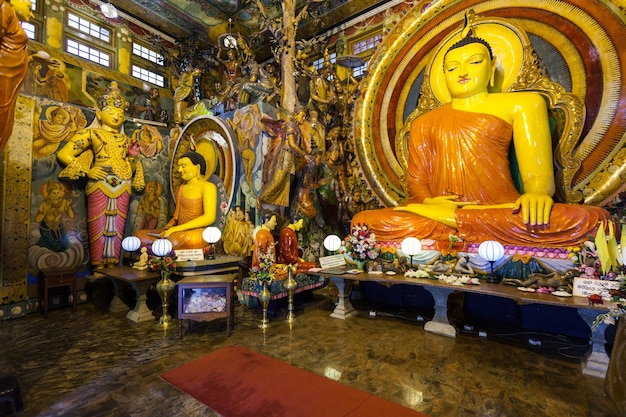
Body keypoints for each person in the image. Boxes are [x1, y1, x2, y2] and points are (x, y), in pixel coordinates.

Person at [352, 34, 608, 248]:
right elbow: (417, 186)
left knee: (587, 220)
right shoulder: (423, 122)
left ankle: (454, 222)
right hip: (438, 215)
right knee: (363, 222)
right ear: (444, 75)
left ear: (492, 66)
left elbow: (538, 174)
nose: (462, 72)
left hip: (501, 210)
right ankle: (452, 220)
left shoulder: (524, 104)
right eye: (452, 68)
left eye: (474, 62)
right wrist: (428, 203)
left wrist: (538, 194)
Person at [57, 81, 145, 269]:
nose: (116, 116)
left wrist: (132, 157)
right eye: (111, 112)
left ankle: (113, 265)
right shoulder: (92, 134)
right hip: (99, 183)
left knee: (118, 227)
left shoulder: (126, 140)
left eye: (120, 114)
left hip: (123, 184)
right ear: (99, 114)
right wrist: (88, 171)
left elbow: (131, 169)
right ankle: (98, 268)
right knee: (98, 224)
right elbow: (64, 154)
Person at [136, 151, 218, 250]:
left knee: (183, 240)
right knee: (140, 235)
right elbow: (176, 216)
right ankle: (161, 245)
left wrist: (177, 229)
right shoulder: (182, 188)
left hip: (195, 233)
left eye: (183, 166)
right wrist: (169, 227)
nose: (179, 170)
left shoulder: (208, 187)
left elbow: (209, 217)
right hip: (177, 231)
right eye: (179, 166)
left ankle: (160, 246)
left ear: (197, 167)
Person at [0, 0, 32, 153]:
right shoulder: (3, 8)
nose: (31, 14)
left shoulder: (12, 18)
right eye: (30, 8)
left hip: (9, 81)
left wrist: (31, 59)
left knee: (5, 124)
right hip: (2, 76)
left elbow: (12, 51)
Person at [35, 181, 75, 252]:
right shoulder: (44, 204)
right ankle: (43, 241)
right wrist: (44, 213)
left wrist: (68, 207)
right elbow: (37, 220)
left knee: (66, 246)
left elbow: (72, 216)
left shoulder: (62, 202)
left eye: (57, 193)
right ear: (49, 194)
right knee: (56, 248)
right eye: (54, 193)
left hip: (58, 226)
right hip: (46, 227)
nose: (56, 195)